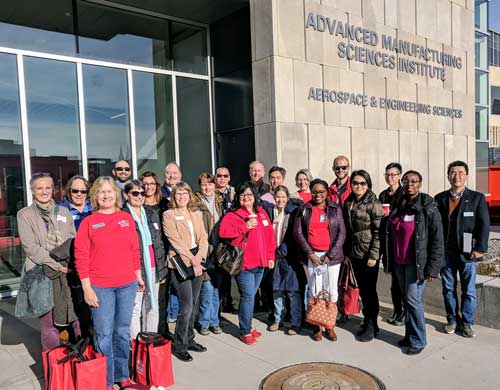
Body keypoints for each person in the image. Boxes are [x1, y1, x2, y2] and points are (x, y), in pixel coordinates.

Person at [74, 176, 146, 390]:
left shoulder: (125, 218)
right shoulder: (88, 222)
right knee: (104, 333)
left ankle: (122, 375)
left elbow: (134, 250)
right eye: (101, 191)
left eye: (109, 191)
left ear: (117, 194)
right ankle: (105, 380)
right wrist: (87, 288)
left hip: (127, 284)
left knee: (122, 331)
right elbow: (81, 256)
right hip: (100, 287)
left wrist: (138, 275)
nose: (106, 195)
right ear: (95, 196)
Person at [17, 173, 79, 351]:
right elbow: (30, 247)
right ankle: (54, 364)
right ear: (32, 191)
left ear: (53, 189)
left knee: (74, 317)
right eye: (39, 188)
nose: (44, 191)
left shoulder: (64, 212)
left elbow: (71, 240)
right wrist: (55, 263)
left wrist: (67, 264)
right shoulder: (25, 215)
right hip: (41, 273)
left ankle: (78, 360)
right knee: (49, 322)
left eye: (47, 187)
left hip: (66, 271)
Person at [385, 170, 444, 355]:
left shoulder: (428, 205)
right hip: (399, 261)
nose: (410, 184)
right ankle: (410, 335)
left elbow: (437, 238)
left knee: (413, 300)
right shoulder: (399, 203)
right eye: (406, 181)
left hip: (416, 263)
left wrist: (433, 268)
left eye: (414, 181)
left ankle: (419, 340)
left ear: (420, 183)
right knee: (407, 300)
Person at [435, 161, 490, 338]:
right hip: (446, 253)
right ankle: (452, 319)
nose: (456, 176)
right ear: (448, 175)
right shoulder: (440, 198)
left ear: (466, 176)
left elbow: (484, 225)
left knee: (469, 290)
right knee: (448, 288)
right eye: (452, 172)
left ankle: (467, 323)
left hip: (468, 250)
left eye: (460, 172)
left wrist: (480, 247)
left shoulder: (476, 198)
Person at [218, 182, 277, 345]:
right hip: (244, 264)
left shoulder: (262, 213)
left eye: (249, 195)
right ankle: (245, 330)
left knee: (250, 296)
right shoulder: (233, 215)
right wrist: (244, 226)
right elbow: (223, 232)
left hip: (261, 263)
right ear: (238, 197)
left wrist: (271, 256)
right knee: (248, 297)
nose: (246, 198)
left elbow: (270, 237)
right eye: (243, 195)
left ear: (255, 197)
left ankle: (248, 327)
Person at [294, 178, 346, 342]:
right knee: (315, 290)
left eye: (321, 191)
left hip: (332, 258)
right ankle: (317, 326)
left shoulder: (335, 209)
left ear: (326, 192)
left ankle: (330, 326)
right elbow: (298, 233)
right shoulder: (304, 209)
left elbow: (341, 233)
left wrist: (330, 255)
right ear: (311, 191)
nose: (318, 194)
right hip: (312, 257)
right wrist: (310, 253)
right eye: (315, 191)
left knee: (331, 291)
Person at [163, 182, 208, 362]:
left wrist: (200, 257)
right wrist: (193, 260)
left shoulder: (195, 213)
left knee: (194, 303)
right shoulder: (168, 215)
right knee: (186, 305)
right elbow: (175, 241)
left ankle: (189, 339)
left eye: (184, 193)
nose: (181, 197)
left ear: (189, 195)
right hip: (180, 262)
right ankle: (179, 345)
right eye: (178, 194)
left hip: (198, 259)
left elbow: (203, 238)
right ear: (173, 196)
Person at [343, 170, 384, 342]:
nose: (358, 186)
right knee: (361, 289)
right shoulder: (349, 201)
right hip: (354, 253)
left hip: (368, 254)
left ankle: (371, 324)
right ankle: (369, 321)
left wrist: (374, 255)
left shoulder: (374, 203)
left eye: (362, 183)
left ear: (368, 185)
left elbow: (378, 232)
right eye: (355, 183)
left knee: (369, 291)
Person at [123, 180, 168, 339]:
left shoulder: (150, 213)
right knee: (135, 308)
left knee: (152, 305)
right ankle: (136, 344)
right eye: (135, 193)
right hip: (135, 269)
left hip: (154, 267)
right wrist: (135, 273)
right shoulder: (122, 216)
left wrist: (162, 270)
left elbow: (159, 243)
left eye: (142, 193)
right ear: (126, 194)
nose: (139, 196)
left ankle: (150, 341)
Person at [263, 185, 304, 335]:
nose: (280, 200)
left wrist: (281, 251)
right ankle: (277, 320)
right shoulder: (271, 212)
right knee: (277, 291)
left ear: (287, 198)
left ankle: (295, 322)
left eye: (283, 197)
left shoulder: (291, 213)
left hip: (289, 257)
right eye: (277, 197)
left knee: (293, 292)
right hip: (274, 257)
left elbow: (293, 236)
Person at [57, 174, 93, 339]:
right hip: (71, 264)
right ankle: (79, 339)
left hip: (94, 263)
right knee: (76, 303)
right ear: (69, 191)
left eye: (83, 191)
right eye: (75, 190)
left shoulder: (95, 208)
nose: (79, 194)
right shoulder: (59, 210)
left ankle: (90, 337)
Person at [140, 171, 170, 336]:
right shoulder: (138, 204)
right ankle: (146, 333)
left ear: (156, 185)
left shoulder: (164, 204)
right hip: (146, 258)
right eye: (145, 183)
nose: (148, 187)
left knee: (161, 298)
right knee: (146, 300)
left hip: (164, 256)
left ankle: (162, 330)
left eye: (151, 183)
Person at [194, 173, 224, 335]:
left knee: (216, 289)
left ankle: (215, 321)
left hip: (219, 251)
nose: (207, 187)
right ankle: (204, 322)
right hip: (205, 250)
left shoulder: (219, 201)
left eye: (210, 184)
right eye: (204, 184)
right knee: (207, 288)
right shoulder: (196, 203)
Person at [379, 163, 405, 326]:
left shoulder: (404, 194)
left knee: (402, 281)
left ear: (399, 176)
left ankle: (404, 312)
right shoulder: (383, 195)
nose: (390, 178)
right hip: (387, 240)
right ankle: (397, 310)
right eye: (387, 175)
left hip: (400, 241)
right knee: (394, 281)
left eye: (393, 175)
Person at [159, 162, 181, 326]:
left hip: (182, 245)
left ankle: (175, 312)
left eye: (175, 173)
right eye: (169, 173)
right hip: (165, 245)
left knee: (179, 281)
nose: (172, 176)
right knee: (167, 283)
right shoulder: (160, 194)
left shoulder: (184, 192)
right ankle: (168, 314)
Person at [214, 166, 236, 313]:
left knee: (229, 271)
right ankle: (218, 307)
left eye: (225, 176)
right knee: (218, 274)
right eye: (219, 175)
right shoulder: (211, 191)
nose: (222, 178)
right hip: (216, 238)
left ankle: (228, 302)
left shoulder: (233, 192)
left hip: (232, 237)